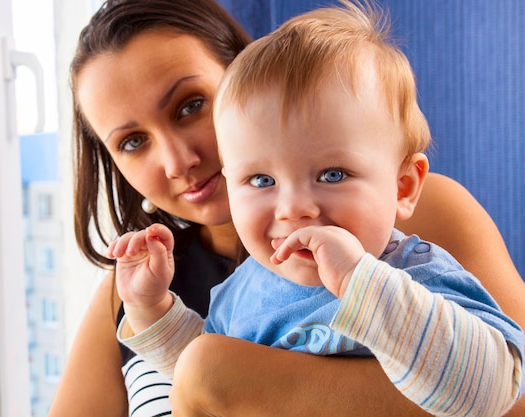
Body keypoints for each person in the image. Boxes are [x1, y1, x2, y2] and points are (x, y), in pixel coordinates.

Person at [48, 0, 525, 416]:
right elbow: (197, 362)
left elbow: (504, 390)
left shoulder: (409, 263)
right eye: (133, 141)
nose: (178, 161)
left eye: (191, 105)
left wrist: (362, 284)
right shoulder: (227, 290)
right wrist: (153, 314)